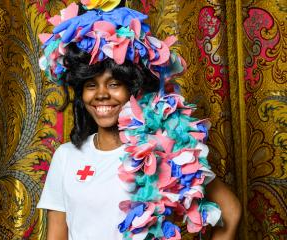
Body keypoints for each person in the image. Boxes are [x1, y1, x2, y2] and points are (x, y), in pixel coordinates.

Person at [37, 1, 241, 239]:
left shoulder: (163, 150)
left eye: (114, 84)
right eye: (91, 85)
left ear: (133, 89)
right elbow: (56, 235)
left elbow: (231, 211)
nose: (101, 94)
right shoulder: (66, 156)